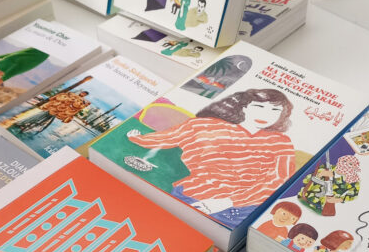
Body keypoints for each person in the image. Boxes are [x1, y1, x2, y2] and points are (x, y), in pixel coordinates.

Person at [126, 88, 294, 223]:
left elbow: (278, 181)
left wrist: (228, 202)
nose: (265, 115)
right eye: (259, 107)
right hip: (193, 196)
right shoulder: (203, 126)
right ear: (244, 107)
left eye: (275, 110)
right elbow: (168, 137)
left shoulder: (281, 143)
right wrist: (137, 138)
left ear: (282, 115)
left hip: (241, 210)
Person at [9, 90, 90, 136]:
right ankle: (23, 124)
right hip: (54, 107)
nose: (83, 94)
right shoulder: (71, 94)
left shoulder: (81, 101)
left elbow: (77, 107)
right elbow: (60, 97)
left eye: (84, 94)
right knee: (40, 116)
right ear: (81, 92)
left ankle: (26, 125)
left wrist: (83, 104)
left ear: (85, 95)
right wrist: (52, 100)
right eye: (83, 92)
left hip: (60, 111)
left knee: (44, 120)